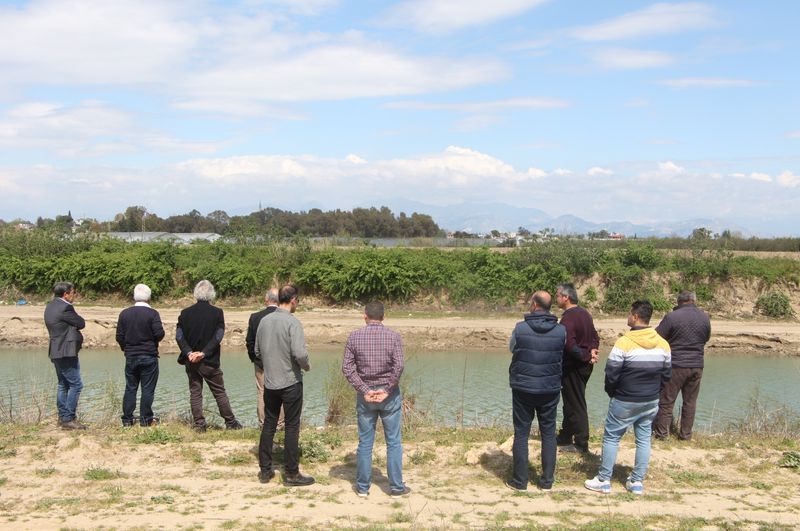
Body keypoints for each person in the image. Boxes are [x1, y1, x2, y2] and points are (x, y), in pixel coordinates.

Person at [585, 300, 671, 495]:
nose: (628, 316)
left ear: (635, 316)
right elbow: (666, 375)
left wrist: (612, 392)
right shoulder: (663, 344)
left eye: (629, 313)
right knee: (643, 439)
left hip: (625, 398)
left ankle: (603, 480)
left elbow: (611, 373)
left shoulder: (624, 342)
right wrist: (654, 391)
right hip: (650, 400)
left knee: (612, 437)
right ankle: (637, 482)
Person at [342, 301, 408, 498]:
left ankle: (363, 488)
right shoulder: (394, 337)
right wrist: (387, 390)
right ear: (383, 317)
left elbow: (347, 368)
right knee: (393, 442)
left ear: (365, 316)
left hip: (366, 397)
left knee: (365, 442)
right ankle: (396, 488)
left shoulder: (354, 337)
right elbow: (399, 366)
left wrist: (364, 389)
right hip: (389, 396)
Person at [255, 284, 314, 486]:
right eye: (298, 301)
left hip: (270, 382)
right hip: (290, 382)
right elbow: (299, 353)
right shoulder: (293, 322)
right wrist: (307, 366)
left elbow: (257, 351)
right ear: (294, 300)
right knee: (291, 426)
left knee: (269, 424)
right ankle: (291, 474)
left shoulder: (264, 321)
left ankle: (265, 470)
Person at [505, 291, 565, 492]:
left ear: (534, 304)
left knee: (521, 433)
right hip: (550, 388)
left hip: (523, 387)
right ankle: (547, 481)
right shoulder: (561, 330)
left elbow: (512, 348)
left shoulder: (520, 328)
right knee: (548, 433)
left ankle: (520, 481)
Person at [176, 280, 242, 432]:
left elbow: (179, 336)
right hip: (210, 361)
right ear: (212, 294)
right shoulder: (217, 312)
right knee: (219, 392)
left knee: (195, 392)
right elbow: (218, 336)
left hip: (191, 360)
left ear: (195, 294)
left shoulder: (185, 313)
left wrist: (189, 352)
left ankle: (199, 425)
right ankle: (231, 423)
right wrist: (204, 353)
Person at [652, 290, 711, 441]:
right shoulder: (704, 317)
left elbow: (657, 337)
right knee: (690, 402)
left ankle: (662, 435)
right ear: (694, 300)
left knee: (666, 401)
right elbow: (706, 338)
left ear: (679, 301)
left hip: (676, 364)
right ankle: (685, 435)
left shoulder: (672, 317)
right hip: (697, 365)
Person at [555, 283, 600, 454]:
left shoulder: (569, 318)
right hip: (584, 365)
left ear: (566, 297)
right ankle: (565, 435)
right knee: (570, 401)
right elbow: (595, 336)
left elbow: (568, 344)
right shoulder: (584, 313)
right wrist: (593, 350)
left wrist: (586, 356)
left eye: (558, 295)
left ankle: (581, 442)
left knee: (576, 403)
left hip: (574, 366)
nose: (556, 298)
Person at [116, 283, 165, 427]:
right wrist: (152, 342)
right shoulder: (153, 313)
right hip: (149, 355)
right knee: (147, 389)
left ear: (134, 297)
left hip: (131, 356)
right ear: (149, 298)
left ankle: (127, 420)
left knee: (130, 388)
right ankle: (146, 419)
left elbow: (119, 336)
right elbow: (159, 333)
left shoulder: (124, 313)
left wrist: (126, 348)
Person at [44, 281, 87, 430]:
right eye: (73, 292)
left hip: (56, 349)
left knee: (63, 384)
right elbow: (81, 323)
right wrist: (73, 326)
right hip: (66, 351)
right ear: (66, 294)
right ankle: (68, 419)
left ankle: (62, 417)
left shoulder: (50, 306)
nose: (74, 295)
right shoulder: (65, 307)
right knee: (76, 384)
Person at [245, 287, 280, 428]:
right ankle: (279, 424)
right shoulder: (285, 317)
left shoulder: (255, 317)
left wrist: (255, 358)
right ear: (279, 301)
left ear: (266, 300)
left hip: (260, 362)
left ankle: (263, 423)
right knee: (281, 392)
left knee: (261, 392)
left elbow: (250, 341)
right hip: (280, 363)